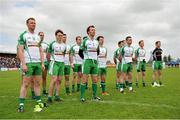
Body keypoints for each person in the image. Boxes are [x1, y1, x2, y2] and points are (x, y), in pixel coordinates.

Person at [18, 17, 45, 112]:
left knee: (37, 84)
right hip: (28, 63)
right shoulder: (23, 35)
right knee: (25, 84)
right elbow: (20, 50)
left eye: (34, 23)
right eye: (31, 23)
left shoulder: (38, 37)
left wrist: (42, 63)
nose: (33, 24)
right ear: (27, 24)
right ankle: (21, 105)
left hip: (37, 63)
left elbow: (41, 51)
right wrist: (24, 64)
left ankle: (39, 102)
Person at [79, 25, 101, 102]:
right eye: (92, 30)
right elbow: (80, 52)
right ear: (88, 32)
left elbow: (98, 52)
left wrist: (94, 58)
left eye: (94, 30)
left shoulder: (96, 42)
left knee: (95, 80)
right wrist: (85, 59)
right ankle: (82, 96)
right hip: (87, 62)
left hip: (95, 62)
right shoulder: (85, 41)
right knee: (84, 79)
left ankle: (95, 96)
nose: (93, 31)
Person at [47, 29, 66, 103]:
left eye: (61, 35)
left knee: (59, 80)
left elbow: (63, 54)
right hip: (54, 63)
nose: (60, 37)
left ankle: (57, 96)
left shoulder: (64, 45)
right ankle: (49, 97)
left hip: (61, 63)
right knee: (54, 80)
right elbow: (48, 55)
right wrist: (50, 62)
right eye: (59, 35)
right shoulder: (52, 44)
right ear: (56, 36)